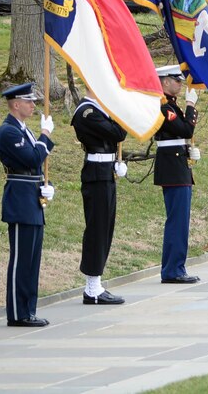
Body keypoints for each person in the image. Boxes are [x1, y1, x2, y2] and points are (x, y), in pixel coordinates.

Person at [0, 83, 55, 328]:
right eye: (29, 101)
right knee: (21, 259)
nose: (33, 105)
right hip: (20, 199)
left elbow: (35, 164)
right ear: (16, 104)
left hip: (31, 196)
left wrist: (45, 184)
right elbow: (32, 158)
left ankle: (28, 310)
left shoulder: (23, 130)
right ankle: (17, 313)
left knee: (32, 260)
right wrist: (45, 135)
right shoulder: (8, 131)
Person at [72, 88, 128, 305]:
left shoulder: (98, 110)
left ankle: (97, 282)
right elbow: (118, 133)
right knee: (97, 229)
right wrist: (118, 112)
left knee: (105, 228)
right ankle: (92, 287)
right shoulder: (86, 112)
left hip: (105, 172)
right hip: (96, 175)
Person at [153, 65, 200, 284]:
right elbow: (185, 130)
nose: (180, 84)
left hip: (178, 162)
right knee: (177, 220)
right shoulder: (163, 106)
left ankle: (177, 267)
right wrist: (191, 106)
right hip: (172, 166)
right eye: (176, 80)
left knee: (181, 220)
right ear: (164, 82)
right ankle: (173, 270)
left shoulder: (171, 105)